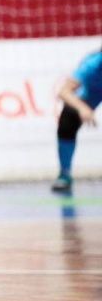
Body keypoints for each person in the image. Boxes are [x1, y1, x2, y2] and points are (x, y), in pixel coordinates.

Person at [52, 45, 101, 193]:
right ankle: (64, 173)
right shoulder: (93, 64)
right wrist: (82, 108)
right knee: (68, 118)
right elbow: (63, 92)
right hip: (91, 93)